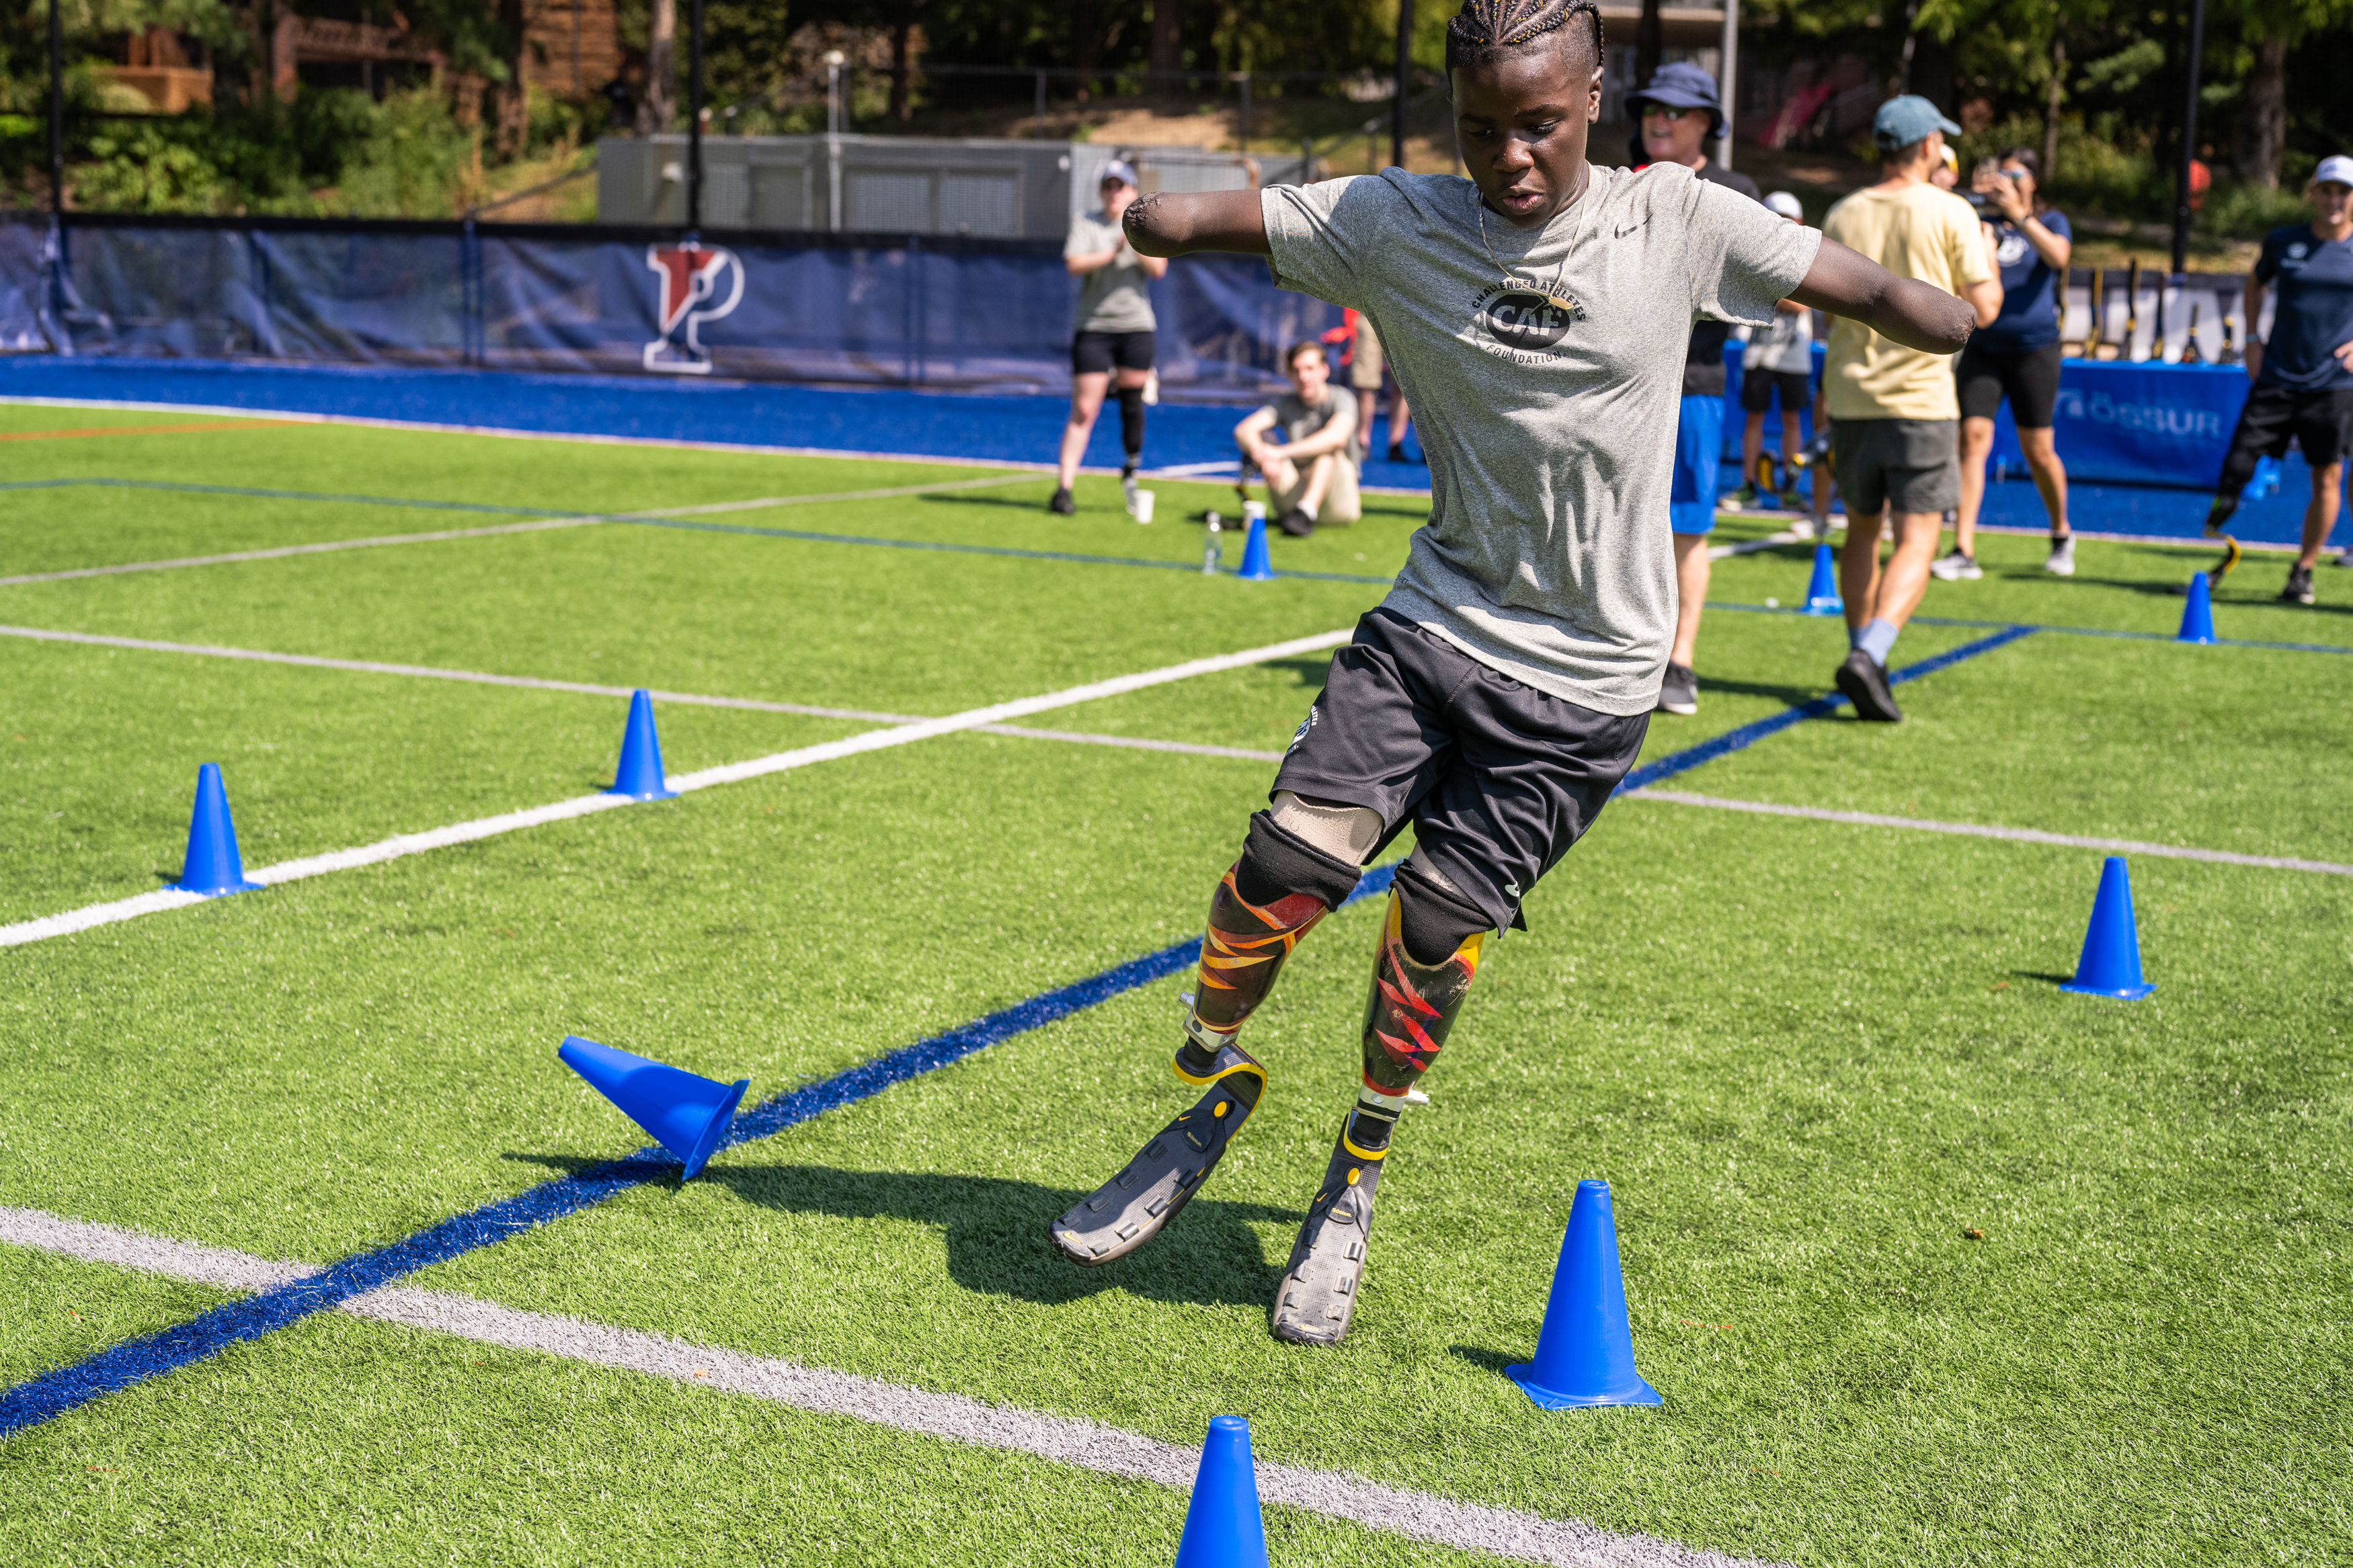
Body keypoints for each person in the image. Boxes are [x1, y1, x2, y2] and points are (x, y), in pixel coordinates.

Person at [1047, 0, 1970, 1346]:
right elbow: (1216, 219)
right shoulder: (1395, 218)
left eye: (1536, 123)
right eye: (1480, 130)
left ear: (1591, 97)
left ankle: (1354, 1168)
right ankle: (1212, 1073)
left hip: (1588, 686)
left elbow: (1875, 292)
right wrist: (1149, 223)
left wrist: (1949, 309)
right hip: (1433, 626)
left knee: (1430, 924)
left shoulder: (1680, 219)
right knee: (1288, 863)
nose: (1509, 157)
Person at [1819, 96, 2001, 721]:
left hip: (1850, 393)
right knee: (1920, 534)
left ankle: (1862, 651)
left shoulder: (1844, 210)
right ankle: (1871, 653)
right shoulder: (1952, 211)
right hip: (1921, 398)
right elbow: (1986, 308)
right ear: (1928, 145)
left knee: (1862, 530)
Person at [1628, 60, 1762, 716]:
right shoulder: (1615, 186)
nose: (1657, 118)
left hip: (1691, 386)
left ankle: (1678, 663)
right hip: (1612, 388)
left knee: (1684, 528)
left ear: (1706, 123)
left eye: (1674, 110)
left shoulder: (1733, 191)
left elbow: (1785, 290)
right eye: (1651, 106)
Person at [2202, 155, 2353, 606]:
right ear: (2313, 192)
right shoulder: (2284, 241)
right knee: (2237, 468)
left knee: (2326, 478)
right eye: (2327, 190)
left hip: (2334, 385)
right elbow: (2254, 285)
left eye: (2343, 192)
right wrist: (2251, 337)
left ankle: (2302, 570)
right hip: (2277, 376)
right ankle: (2218, 550)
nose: (2334, 199)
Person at [1938, 147, 2075, 581]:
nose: (2007, 182)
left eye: (2016, 175)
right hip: (1983, 345)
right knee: (1972, 439)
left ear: (2033, 181)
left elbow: (2059, 257)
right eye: (2002, 174)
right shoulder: (1982, 222)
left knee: (2038, 450)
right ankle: (1963, 547)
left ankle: (2060, 533)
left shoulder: (2050, 221)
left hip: (2035, 349)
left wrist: (2021, 215)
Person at [1051, 159, 1168, 516]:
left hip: (1135, 326)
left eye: (1121, 186)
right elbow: (1074, 264)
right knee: (1085, 408)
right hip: (1095, 327)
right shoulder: (1085, 222)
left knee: (1132, 404)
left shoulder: (1146, 227)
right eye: (1109, 186)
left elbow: (1158, 269)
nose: (1114, 192)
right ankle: (1063, 488)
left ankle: (1131, 467)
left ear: (1132, 192)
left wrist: (1132, 241)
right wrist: (1112, 251)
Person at [1735, 191, 1817, 518]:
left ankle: (1791, 488)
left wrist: (1765, 290)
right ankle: (1749, 485)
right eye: (1775, 216)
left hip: (1794, 354)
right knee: (1753, 418)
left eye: (1788, 218)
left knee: (1792, 419)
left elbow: (1799, 306)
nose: (1783, 224)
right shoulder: (1749, 254)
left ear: (1799, 222)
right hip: (1759, 353)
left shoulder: (1809, 256)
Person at [1236, 340, 1364, 536]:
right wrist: (1261, 454)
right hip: (1293, 500)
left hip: (1337, 501)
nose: (1303, 377)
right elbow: (1244, 430)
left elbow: (1337, 438)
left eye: (1310, 369)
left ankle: (1307, 510)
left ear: (1325, 370)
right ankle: (1302, 512)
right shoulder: (1284, 402)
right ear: (1289, 374)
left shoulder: (1342, 398)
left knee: (1327, 450)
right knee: (1261, 441)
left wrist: (1279, 452)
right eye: (1296, 370)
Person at [1347, 309, 1417, 463]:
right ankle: (1362, 442)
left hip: (1403, 315)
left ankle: (1396, 444)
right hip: (1368, 311)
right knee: (1364, 384)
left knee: (1402, 385)